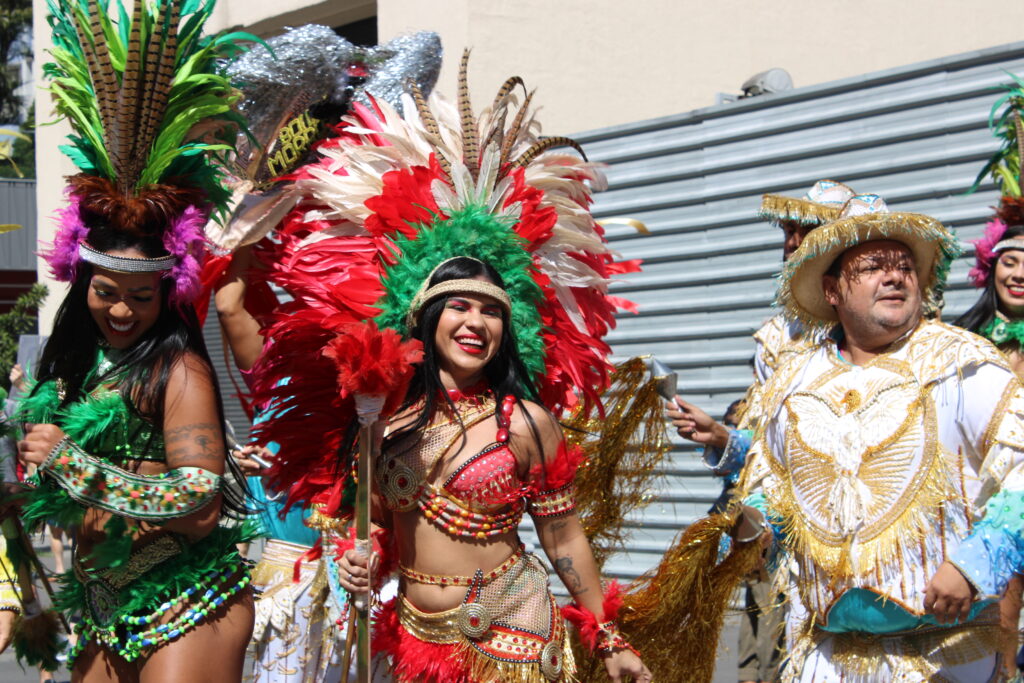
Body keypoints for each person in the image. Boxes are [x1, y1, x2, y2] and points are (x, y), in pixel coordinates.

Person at [249, 53, 651, 682]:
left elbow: (565, 537)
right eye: (458, 307)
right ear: (425, 322)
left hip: (511, 632)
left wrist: (604, 635)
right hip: (413, 636)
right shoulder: (383, 418)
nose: (475, 323)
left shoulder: (526, 422)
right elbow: (377, 525)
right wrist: (363, 560)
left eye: (490, 312)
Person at [12, 0, 257, 678]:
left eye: (141, 295)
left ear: (165, 291)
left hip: (188, 601)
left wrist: (76, 463)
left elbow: (198, 502)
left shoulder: (180, 370)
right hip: (101, 602)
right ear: (79, 280)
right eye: (106, 291)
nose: (122, 309)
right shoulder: (69, 365)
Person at [728, 193, 1024, 681]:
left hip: (944, 652)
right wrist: (749, 532)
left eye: (904, 266)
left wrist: (976, 562)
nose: (893, 276)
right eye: (871, 267)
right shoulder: (792, 378)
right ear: (832, 290)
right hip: (828, 654)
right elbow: (775, 492)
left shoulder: (960, 361)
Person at [668, 180, 854, 683]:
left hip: (852, 539)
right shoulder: (777, 336)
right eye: (788, 232)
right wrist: (723, 440)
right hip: (775, 537)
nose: (793, 243)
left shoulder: (870, 329)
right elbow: (773, 448)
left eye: (808, 231)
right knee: (755, 661)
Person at [214, 246, 346, 682]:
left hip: (355, 563)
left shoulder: (366, 374)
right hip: (287, 566)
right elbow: (228, 303)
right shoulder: (271, 367)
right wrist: (256, 225)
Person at [957, 205, 1024, 678]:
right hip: (977, 507)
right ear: (990, 268)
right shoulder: (959, 342)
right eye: (1011, 260)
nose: (1020, 274)